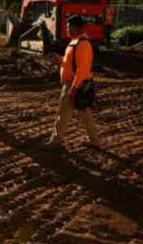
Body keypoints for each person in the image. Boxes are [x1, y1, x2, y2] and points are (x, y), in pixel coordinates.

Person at [43, 14, 102, 149]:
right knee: (84, 113)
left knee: (63, 113)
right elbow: (73, 62)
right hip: (77, 83)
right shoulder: (75, 42)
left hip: (74, 83)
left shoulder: (82, 44)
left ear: (77, 28)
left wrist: (73, 87)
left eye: (69, 27)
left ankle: (55, 142)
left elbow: (82, 68)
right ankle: (95, 141)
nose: (67, 29)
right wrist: (60, 59)